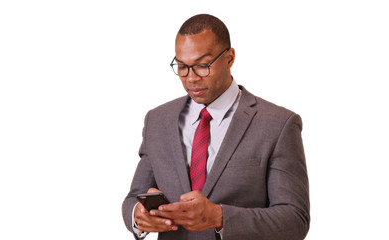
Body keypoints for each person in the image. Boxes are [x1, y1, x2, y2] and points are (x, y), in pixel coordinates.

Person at [122, 14, 309, 240]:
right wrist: (138, 216)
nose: (190, 78)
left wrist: (220, 216)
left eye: (202, 65)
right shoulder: (157, 120)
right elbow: (134, 197)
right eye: (182, 66)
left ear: (229, 58)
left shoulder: (278, 124)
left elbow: (295, 219)